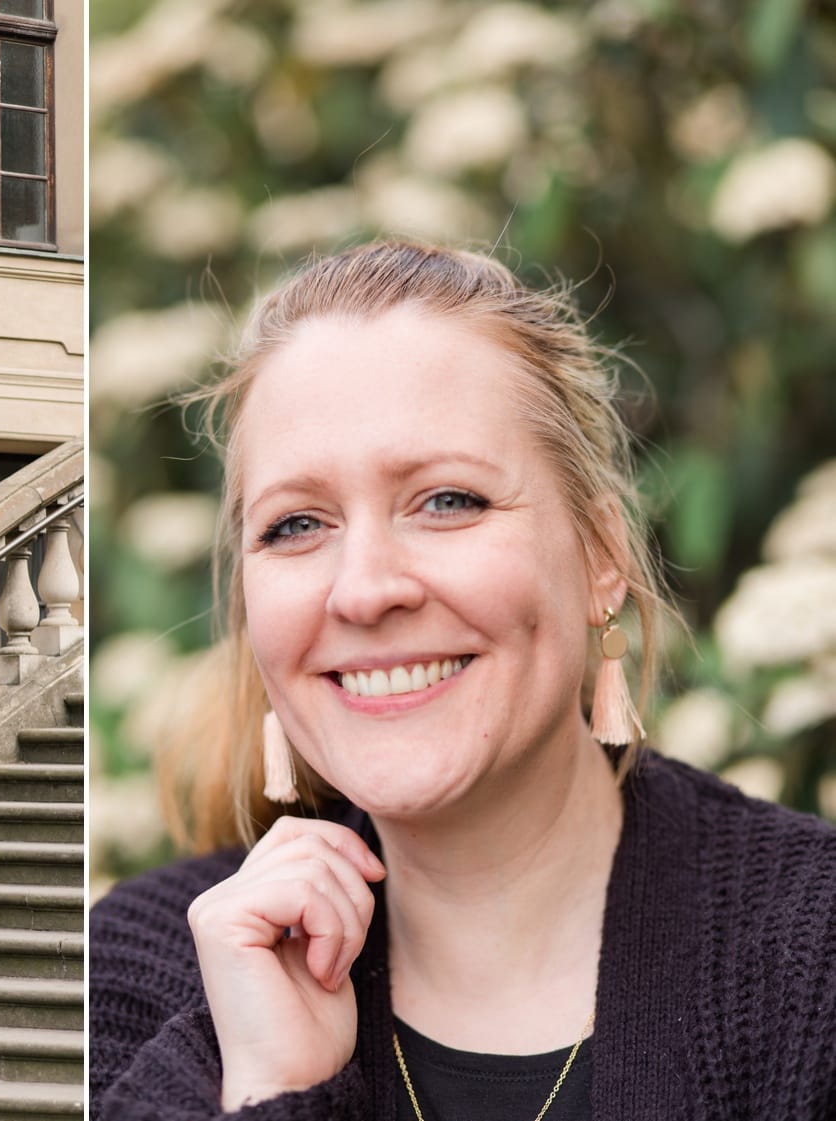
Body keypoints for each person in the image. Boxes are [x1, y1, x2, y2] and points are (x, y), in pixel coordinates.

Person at [88, 241, 836, 1119]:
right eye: (296, 524)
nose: (365, 589)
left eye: (448, 501)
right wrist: (270, 1090)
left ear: (600, 554)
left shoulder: (809, 955)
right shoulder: (145, 980)